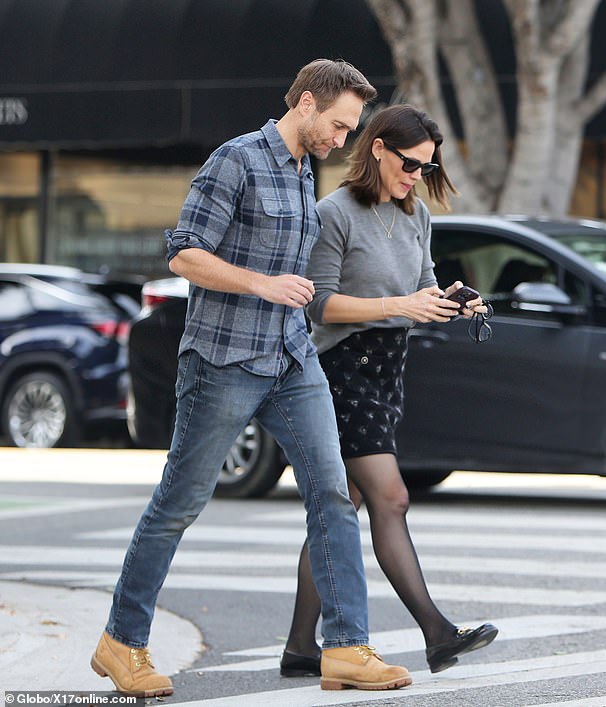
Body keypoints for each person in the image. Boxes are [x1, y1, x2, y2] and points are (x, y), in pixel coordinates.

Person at [89, 59, 415, 697]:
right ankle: (121, 642)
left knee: (332, 497)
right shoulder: (235, 161)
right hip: (224, 363)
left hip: (293, 361)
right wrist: (262, 284)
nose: (344, 141)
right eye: (340, 126)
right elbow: (183, 251)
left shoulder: (303, 170)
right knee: (177, 506)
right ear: (304, 105)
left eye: (352, 130)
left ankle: (346, 647)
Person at [280, 104, 498, 678]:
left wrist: (452, 300)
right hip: (341, 368)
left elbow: (422, 287)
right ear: (377, 147)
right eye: (410, 163)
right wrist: (395, 306)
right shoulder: (334, 214)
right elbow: (319, 302)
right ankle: (436, 632)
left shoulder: (415, 215)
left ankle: (301, 646)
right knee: (391, 499)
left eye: (426, 167)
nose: (416, 176)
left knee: (341, 509)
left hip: (388, 368)